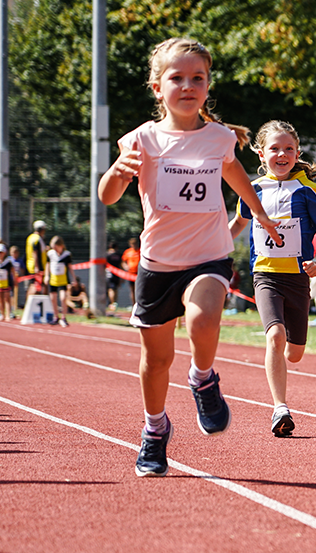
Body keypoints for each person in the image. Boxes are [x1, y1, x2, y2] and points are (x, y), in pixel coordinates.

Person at [98, 37, 282, 477]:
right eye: (176, 78)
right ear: (157, 87)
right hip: (158, 263)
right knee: (157, 360)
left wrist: (259, 214)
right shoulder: (140, 139)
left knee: (203, 320)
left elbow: (234, 171)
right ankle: (155, 430)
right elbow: (107, 197)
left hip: (209, 255)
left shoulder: (219, 137)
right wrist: (117, 172)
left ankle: (203, 377)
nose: (187, 85)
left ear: (207, 85)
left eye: (197, 78)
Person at [229, 119, 316, 437]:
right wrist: (214, 245)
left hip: (299, 277)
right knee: (274, 336)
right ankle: (280, 407)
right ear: (261, 154)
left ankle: (289, 352)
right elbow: (238, 224)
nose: (282, 154)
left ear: (297, 152)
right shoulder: (252, 189)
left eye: (289, 148)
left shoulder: (311, 192)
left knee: (295, 352)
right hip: (265, 275)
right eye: (274, 148)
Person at [45, 235, 72, 328]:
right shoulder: (50, 254)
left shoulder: (66, 255)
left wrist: (74, 278)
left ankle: (64, 317)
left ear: (60, 246)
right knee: (53, 298)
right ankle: (56, 316)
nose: (54, 249)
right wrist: (46, 276)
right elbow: (47, 265)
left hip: (63, 279)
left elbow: (70, 267)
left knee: (63, 298)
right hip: (53, 279)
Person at [0, 243, 16, 321]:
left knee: (7, 299)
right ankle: (2, 314)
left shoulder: (8, 261)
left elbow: (13, 271)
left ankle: (8, 314)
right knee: (0, 299)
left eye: (1, 252)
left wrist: (14, 279)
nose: (0, 254)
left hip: (6, 282)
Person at [25, 220, 47, 296]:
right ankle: (30, 304)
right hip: (37, 266)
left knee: (34, 285)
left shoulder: (30, 237)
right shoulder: (37, 239)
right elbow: (35, 252)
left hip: (30, 265)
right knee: (35, 286)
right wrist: (37, 267)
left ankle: (29, 304)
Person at [121, 237, 141, 305]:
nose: (134, 245)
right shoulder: (128, 252)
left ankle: (139, 304)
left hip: (139, 273)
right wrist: (125, 267)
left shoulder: (140, 251)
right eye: (133, 244)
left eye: (135, 244)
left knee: (139, 289)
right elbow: (123, 261)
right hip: (131, 273)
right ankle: (133, 304)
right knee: (132, 289)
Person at [106, 241, 124, 311]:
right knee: (115, 288)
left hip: (109, 274)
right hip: (117, 273)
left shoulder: (107, 255)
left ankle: (112, 302)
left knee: (111, 288)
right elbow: (121, 265)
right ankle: (114, 303)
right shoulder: (118, 255)